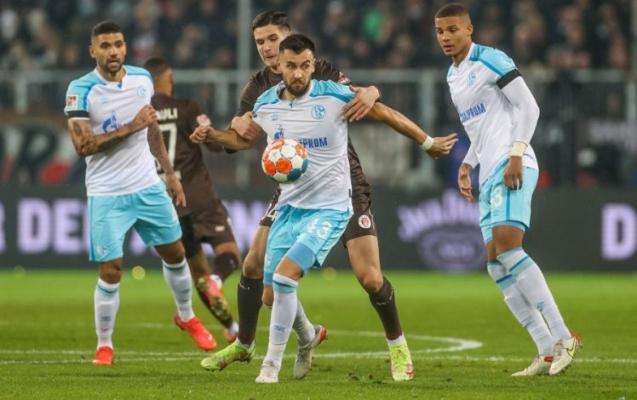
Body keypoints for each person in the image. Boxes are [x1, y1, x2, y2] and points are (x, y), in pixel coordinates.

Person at [192, 33, 456, 383]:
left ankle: (396, 346)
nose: (298, 74)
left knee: (368, 277)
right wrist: (212, 135)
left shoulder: (333, 95)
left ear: (313, 65)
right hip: (291, 205)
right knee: (270, 294)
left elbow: (383, 112)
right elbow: (242, 140)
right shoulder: (266, 102)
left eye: (305, 66)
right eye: (291, 66)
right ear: (279, 66)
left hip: (335, 204)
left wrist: (426, 142)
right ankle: (308, 335)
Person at [434, 3, 581, 376]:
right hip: (489, 169)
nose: (446, 37)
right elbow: (479, 127)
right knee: (495, 263)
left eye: (453, 29)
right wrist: (468, 163)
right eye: (440, 31)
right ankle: (545, 349)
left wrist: (516, 153)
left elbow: (529, 107)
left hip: (512, 162)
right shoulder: (453, 75)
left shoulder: (491, 59)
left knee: (509, 247)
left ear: (469, 29)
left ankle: (564, 337)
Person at [63, 21, 215, 366]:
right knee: (111, 270)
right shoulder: (81, 89)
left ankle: (187, 316)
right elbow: (83, 146)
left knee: (176, 253)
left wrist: (169, 173)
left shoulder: (142, 79)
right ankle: (104, 345)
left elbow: (151, 129)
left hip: (147, 184)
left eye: (118, 44)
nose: (113, 51)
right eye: (105, 46)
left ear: (125, 47)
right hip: (107, 192)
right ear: (92, 51)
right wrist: (130, 125)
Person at [144, 57, 241, 342]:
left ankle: (231, 328)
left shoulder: (141, 115)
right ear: (169, 78)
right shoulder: (188, 108)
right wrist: (228, 138)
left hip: (169, 203)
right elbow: (214, 144)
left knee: (197, 270)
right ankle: (217, 280)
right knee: (229, 253)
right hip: (199, 195)